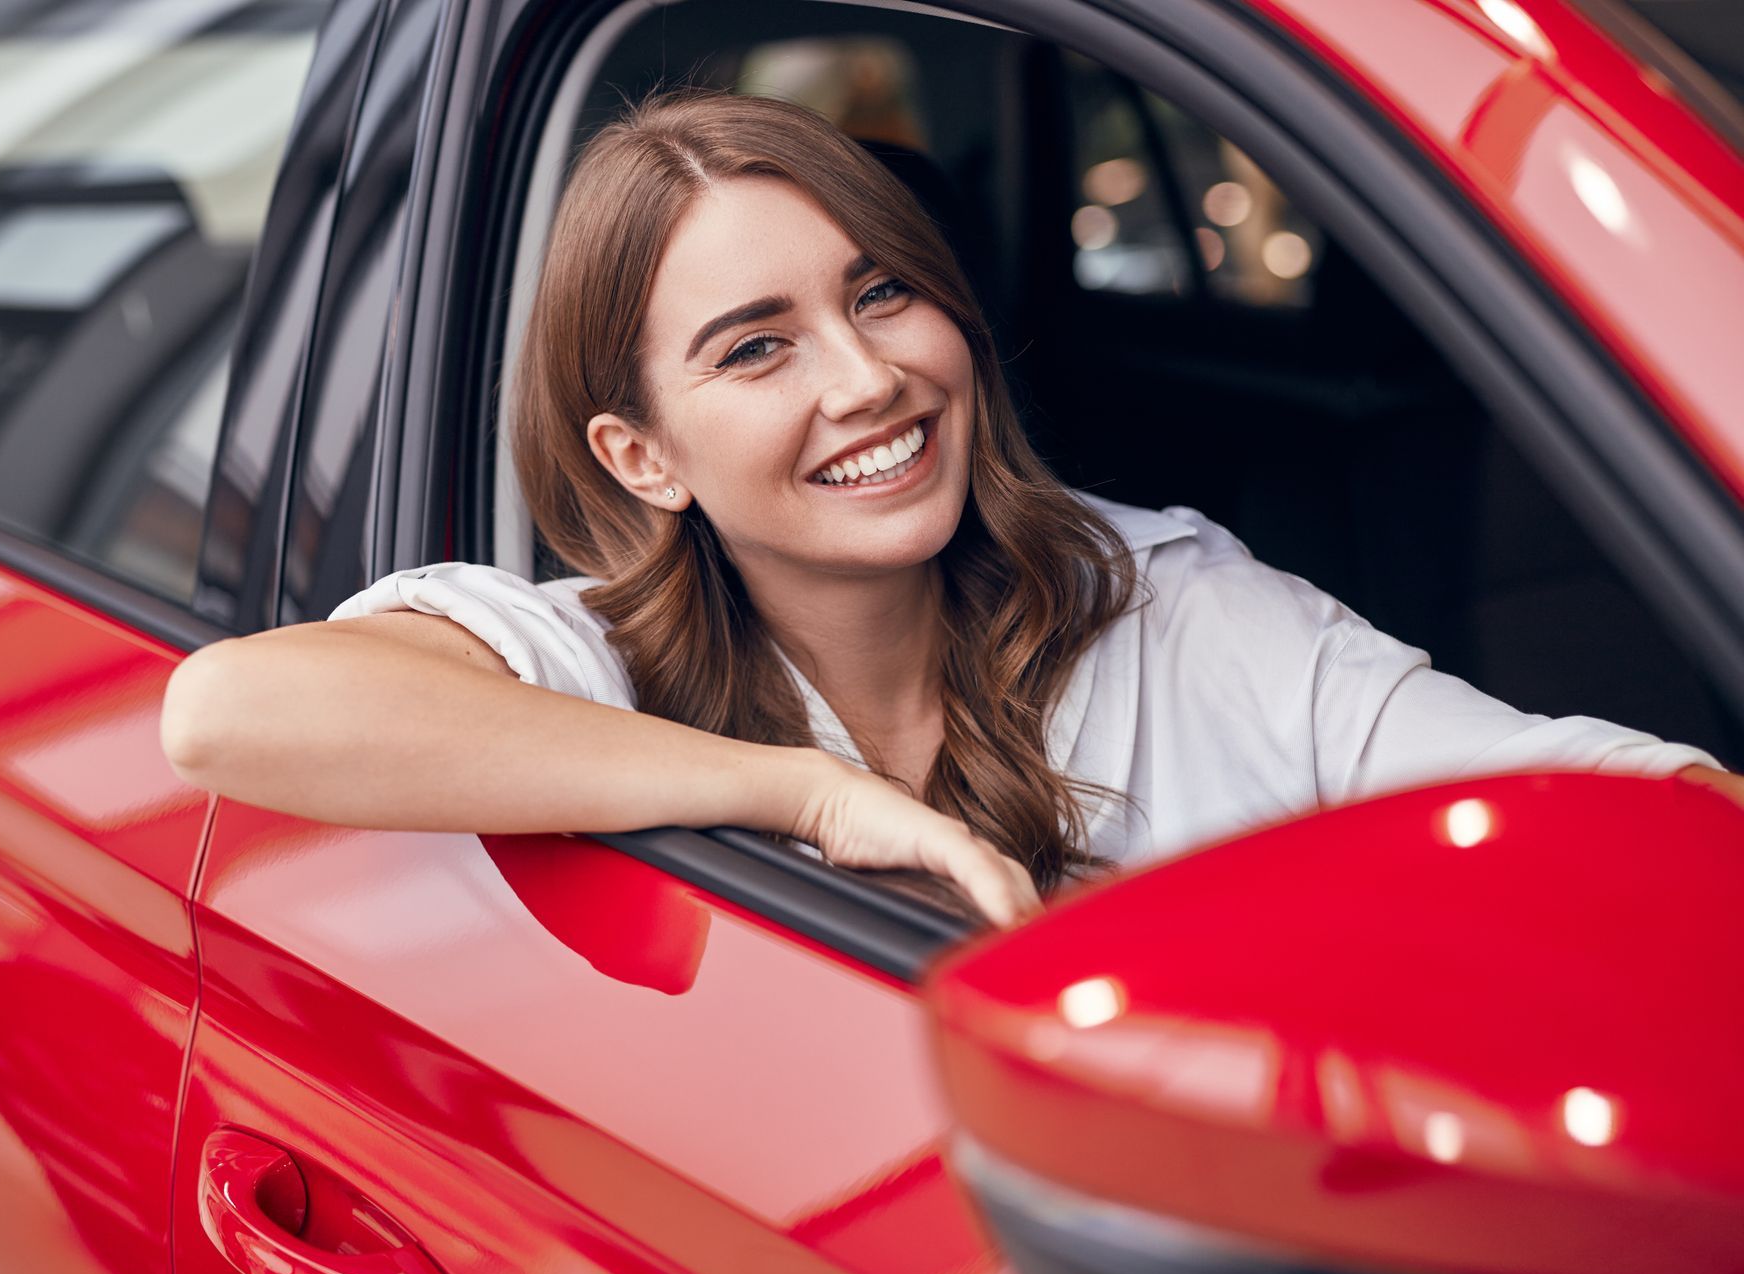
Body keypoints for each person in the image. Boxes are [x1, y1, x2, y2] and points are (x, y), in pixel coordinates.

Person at [159, 88, 1740, 927]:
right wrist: (811, 796)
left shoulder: (1155, 597)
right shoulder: (573, 658)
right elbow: (231, 711)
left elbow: (1591, 795)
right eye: (758, 347)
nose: (868, 379)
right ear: (642, 457)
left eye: (884, 292)